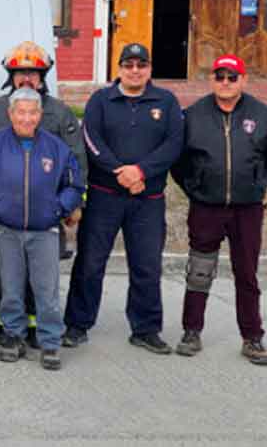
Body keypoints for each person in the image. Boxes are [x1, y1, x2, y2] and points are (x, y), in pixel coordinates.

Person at [63, 43, 183, 353]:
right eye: (128, 65)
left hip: (148, 198)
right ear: (118, 68)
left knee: (146, 265)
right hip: (105, 196)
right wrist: (120, 170)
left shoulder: (166, 101)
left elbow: (173, 143)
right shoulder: (101, 100)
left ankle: (145, 329)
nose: (134, 70)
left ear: (149, 69)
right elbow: (90, 137)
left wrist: (141, 171)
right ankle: (77, 324)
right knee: (90, 263)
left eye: (140, 65)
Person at [171, 54, 267, 365]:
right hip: (206, 206)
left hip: (247, 210)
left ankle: (252, 337)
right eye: (219, 76)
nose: (225, 83)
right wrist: (196, 188)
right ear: (211, 80)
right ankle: (191, 331)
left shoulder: (264, 115)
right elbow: (179, 162)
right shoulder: (192, 116)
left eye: (232, 77)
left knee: (246, 274)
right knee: (199, 270)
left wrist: (257, 186)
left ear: (243, 80)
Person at [0, 41, 86, 346]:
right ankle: (8, 330)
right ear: (10, 75)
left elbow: (77, 161)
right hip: (7, 214)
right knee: (7, 275)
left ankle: (40, 330)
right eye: (20, 73)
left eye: (33, 73)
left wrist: (72, 204)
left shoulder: (60, 113)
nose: (26, 79)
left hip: (45, 216)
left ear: (43, 76)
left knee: (43, 278)